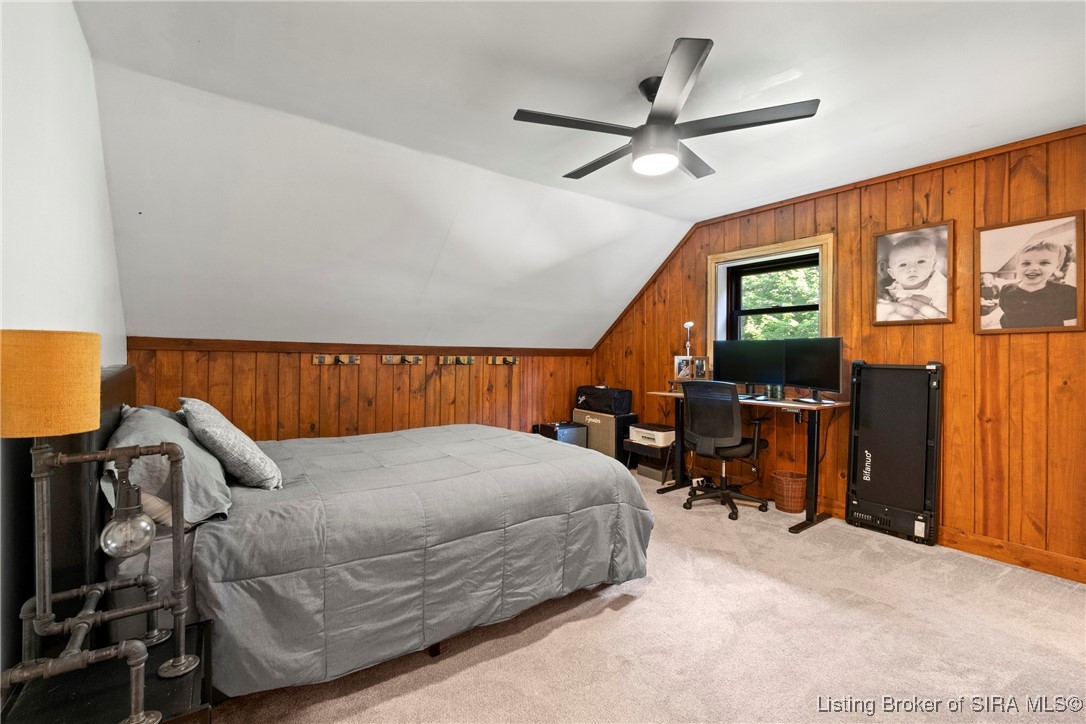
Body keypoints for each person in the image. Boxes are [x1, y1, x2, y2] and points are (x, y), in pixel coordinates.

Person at [998, 239, 1077, 328]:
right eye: (1026, 263)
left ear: (1057, 267)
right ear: (1017, 266)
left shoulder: (1067, 292)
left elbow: (1072, 321)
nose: (1034, 268)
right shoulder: (1006, 289)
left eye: (1044, 263)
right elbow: (1005, 315)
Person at [879, 235, 947, 320]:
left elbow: (943, 316)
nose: (912, 269)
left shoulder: (940, 285)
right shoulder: (893, 286)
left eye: (920, 261)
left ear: (933, 265)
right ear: (892, 273)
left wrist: (913, 303)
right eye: (903, 264)